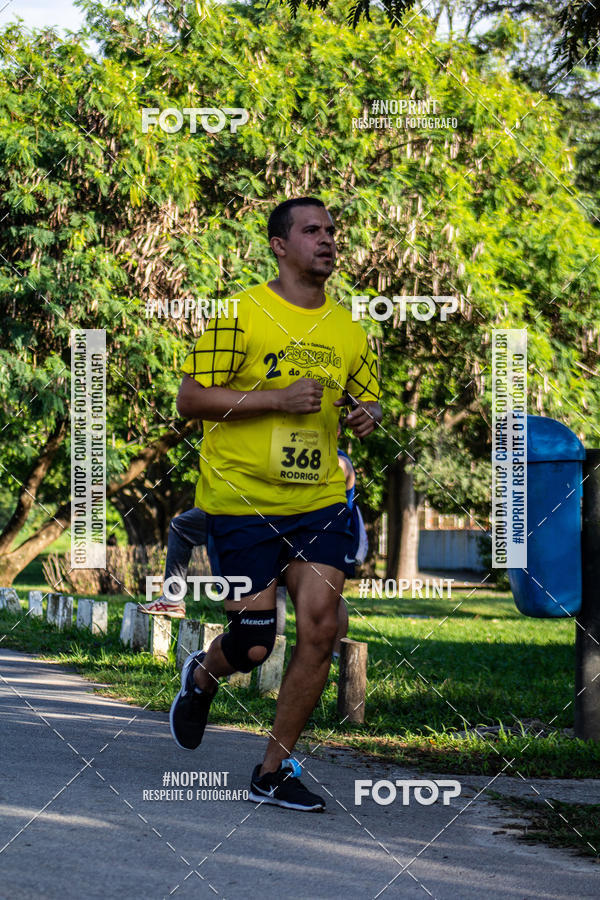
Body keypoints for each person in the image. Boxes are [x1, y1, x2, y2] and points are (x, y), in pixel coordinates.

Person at [169, 197, 381, 812]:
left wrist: (366, 415)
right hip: (240, 500)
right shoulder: (242, 313)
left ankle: (274, 769)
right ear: (279, 245)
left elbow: (362, 403)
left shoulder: (348, 329)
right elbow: (190, 399)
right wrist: (275, 400)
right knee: (258, 639)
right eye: (311, 230)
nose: (327, 240)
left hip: (318, 502)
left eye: (333, 231)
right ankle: (204, 675)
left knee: (320, 627)